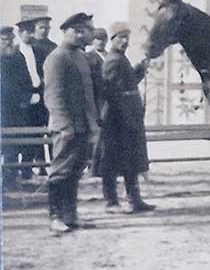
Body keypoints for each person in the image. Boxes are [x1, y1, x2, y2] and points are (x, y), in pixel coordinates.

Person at [43, 12, 101, 234]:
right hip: (67, 128)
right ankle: (55, 217)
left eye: (87, 29)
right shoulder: (57, 58)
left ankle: (70, 215)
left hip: (83, 126)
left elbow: (88, 95)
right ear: (70, 31)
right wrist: (64, 125)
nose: (86, 34)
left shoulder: (80, 56)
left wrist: (93, 124)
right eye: (82, 30)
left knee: (75, 172)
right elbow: (54, 96)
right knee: (60, 171)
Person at [93, 22, 154, 213]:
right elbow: (108, 89)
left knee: (131, 158)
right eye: (120, 37)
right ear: (112, 39)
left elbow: (127, 82)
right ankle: (111, 201)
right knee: (111, 160)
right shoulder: (113, 60)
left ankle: (134, 199)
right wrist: (122, 112)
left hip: (128, 116)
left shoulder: (121, 58)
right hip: (117, 119)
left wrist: (140, 69)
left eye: (126, 37)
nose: (125, 41)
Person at [1, 26, 35, 187]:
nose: (7, 42)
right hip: (2, 109)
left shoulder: (18, 57)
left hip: (15, 110)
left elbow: (27, 81)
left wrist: (25, 98)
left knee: (13, 145)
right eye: (3, 39)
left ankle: (11, 179)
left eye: (10, 38)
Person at [15, 18, 48, 173]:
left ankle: (40, 167)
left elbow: (42, 71)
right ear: (21, 33)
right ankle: (24, 169)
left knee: (39, 132)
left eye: (31, 31)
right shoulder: (15, 51)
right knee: (24, 135)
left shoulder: (38, 50)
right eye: (27, 32)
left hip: (39, 96)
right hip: (23, 100)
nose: (30, 35)